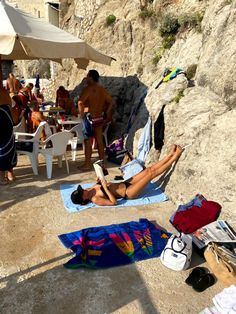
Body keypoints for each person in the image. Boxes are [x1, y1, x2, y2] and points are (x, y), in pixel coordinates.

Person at [71, 144, 183, 206]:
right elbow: (113, 202)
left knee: (149, 170)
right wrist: (105, 187)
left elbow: (102, 184)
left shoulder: (90, 189)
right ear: (83, 198)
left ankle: (170, 155)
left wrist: (99, 179)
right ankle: (175, 156)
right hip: (128, 193)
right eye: (82, 193)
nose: (84, 190)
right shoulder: (95, 199)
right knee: (151, 175)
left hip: (125, 183)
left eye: (82, 190)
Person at [77, 69, 113, 171]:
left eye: (87, 76)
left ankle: (87, 164)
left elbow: (80, 103)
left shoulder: (88, 89)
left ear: (91, 77)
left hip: (89, 117)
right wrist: (106, 112)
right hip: (99, 117)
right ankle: (102, 163)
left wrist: (81, 115)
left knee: (88, 140)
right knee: (100, 141)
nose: (86, 78)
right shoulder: (102, 89)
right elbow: (111, 102)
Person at [0, 86, 17, 184]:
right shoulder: (5, 92)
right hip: (7, 119)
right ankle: (9, 174)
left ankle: (4, 175)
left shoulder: (4, 92)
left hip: (6, 120)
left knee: (5, 148)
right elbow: (13, 107)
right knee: (6, 147)